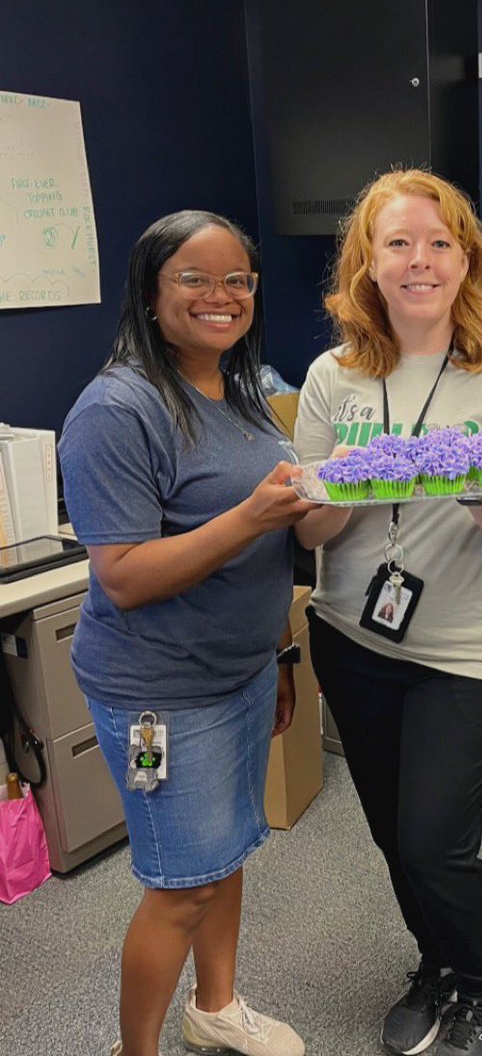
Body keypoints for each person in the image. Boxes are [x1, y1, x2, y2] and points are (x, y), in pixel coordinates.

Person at [292, 169, 482, 1056]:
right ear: (368, 261)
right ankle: (436, 960)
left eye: (440, 243)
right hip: (352, 636)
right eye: (398, 242)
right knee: (394, 836)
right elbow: (312, 522)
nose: (420, 260)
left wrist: (453, 467)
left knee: (436, 839)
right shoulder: (333, 377)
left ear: (466, 258)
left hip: (466, 653)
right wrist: (361, 482)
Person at [58, 211, 325, 1056]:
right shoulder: (116, 409)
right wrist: (251, 516)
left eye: (238, 280)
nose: (222, 295)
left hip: (239, 675)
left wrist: (279, 657)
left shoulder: (236, 387)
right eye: (195, 279)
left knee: (225, 854)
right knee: (179, 883)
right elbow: (125, 576)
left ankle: (215, 1006)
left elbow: (270, 551)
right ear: (150, 290)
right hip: (158, 702)